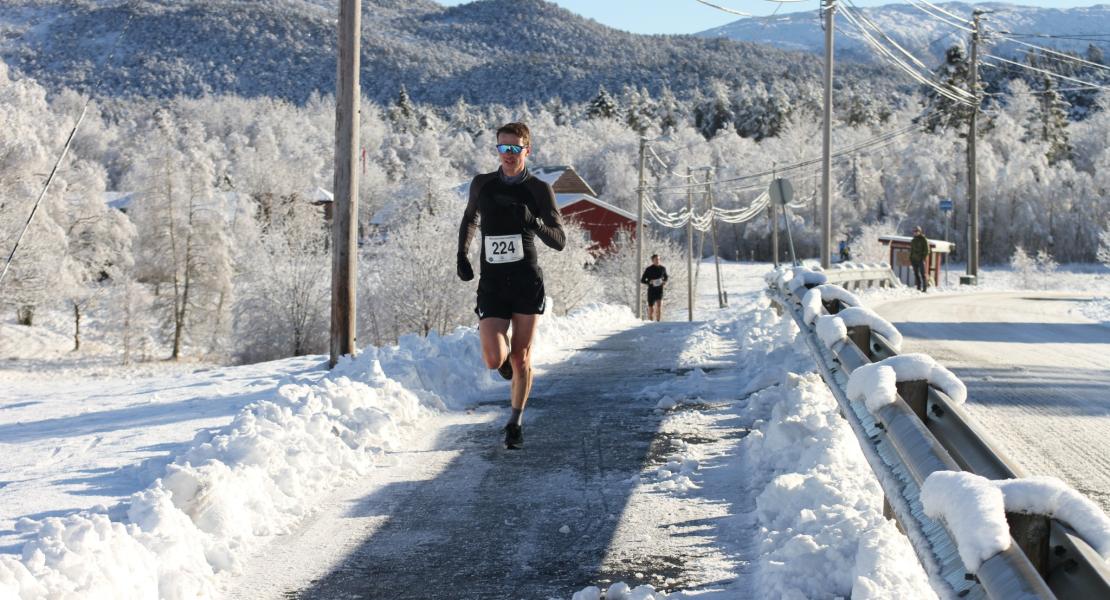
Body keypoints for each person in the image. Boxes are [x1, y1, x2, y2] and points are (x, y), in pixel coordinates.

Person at [457, 122, 566, 450]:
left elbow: (559, 240)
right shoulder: (483, 184)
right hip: (492, 282)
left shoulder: (538, 189)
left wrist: (533, 221)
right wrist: (461, 254)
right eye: (503, 147)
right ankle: (505, 366)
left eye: (515, 148)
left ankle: (514, 423)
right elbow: (470, 218)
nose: (508, 154)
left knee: (521, 357)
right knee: (494, 358)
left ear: (526, 151)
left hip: (525, 281)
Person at [640, 254, 669, 322]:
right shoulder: (648, 269)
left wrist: (664, 282)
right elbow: (642, 280)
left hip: (659, 290)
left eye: (659, 259)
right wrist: (649, 282)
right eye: (656, 259)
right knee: (651, 308)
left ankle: (658, 322)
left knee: (659, 306)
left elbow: (666, 277)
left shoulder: (663, 268)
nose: (658, 261)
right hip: (651, 290)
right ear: (652, 260)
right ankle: (650, 323)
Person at [909, 226, 931, 292]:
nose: (915, 233)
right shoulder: (913, 240)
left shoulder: (924, 239)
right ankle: (918, 288)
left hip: (921, 260)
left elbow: (927, 250)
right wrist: (911, 257)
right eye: (914, 231)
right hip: (914, 260)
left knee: (923, 274)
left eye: (916, 231)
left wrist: (923, 258)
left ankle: (924, 288)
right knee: (916, 274)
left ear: (920, 232)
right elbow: (912, 250)